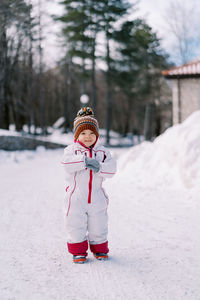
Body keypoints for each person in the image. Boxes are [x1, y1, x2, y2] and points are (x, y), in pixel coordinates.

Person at [61, 107, 117, 263]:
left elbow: (112, 170)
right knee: (75, 223)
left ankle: (99, 249)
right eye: (83, 133)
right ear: (77, 135)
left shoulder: (102, 152)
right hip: (76, 196)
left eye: (92, 133)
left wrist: (99, 166)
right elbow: (66, 163)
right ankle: (78, 251)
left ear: (97, 135)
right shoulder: (72, 151)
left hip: (97, 196)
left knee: (98, 224)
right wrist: (84, 161)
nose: (88, 137)